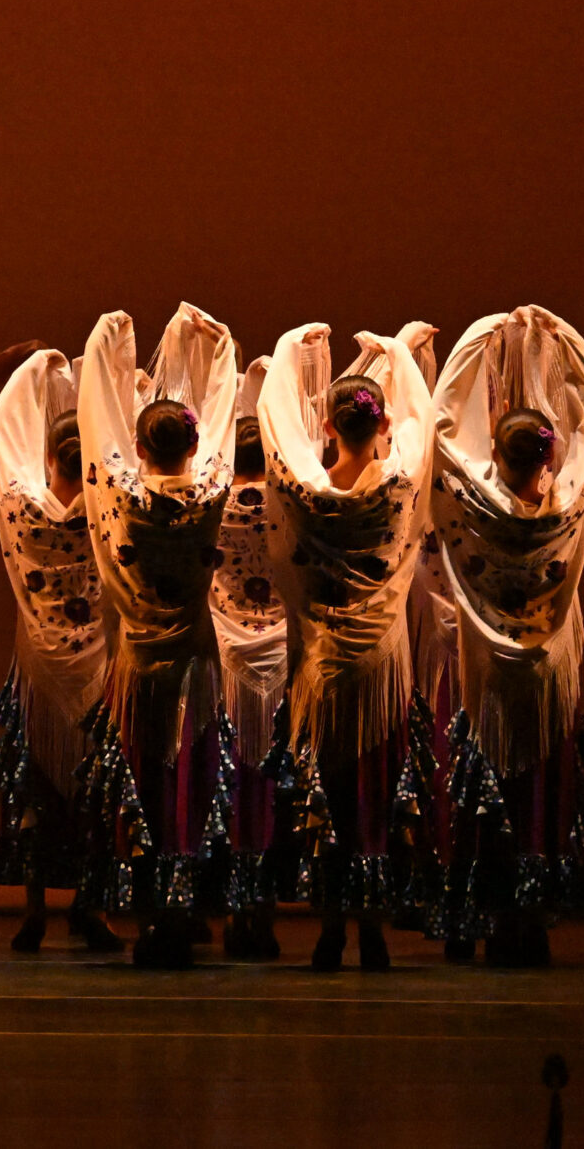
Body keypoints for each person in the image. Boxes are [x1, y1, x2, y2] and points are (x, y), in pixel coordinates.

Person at [259, 323, 436, 971]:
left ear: (327, 427)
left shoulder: (305, 494)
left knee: (330, 791)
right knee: (375, 792)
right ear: (381, 424)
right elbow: (420, 424)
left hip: (324, 666)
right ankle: (373, 930)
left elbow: (277, 425)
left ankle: (332, 927)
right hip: (381, 667)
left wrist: (289, 350)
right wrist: (400, 354)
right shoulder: (397, 488)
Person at [432, 306, 584, 966]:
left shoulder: (471, 506)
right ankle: (529, 922)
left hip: (488, 682)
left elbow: (444, 428)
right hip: (544, 682)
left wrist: (479, 333)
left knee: (490, 796)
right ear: (550, 456)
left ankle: (487, 916)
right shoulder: (568, 506)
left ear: (494, 456)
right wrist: (566, 341)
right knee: (535, 794)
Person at [79, 304, 241, 969]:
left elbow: (97, 430)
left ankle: (150, 913)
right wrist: (221, 351)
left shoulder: (120, 497)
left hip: (139, 667)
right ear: (194, 447)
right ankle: (184, 910)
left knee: (143, 785)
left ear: (139, 449)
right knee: (187, 786)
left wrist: (107, 345)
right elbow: (225, 420)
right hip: (194, 667)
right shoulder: (211, 491)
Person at [0, 340, 118, 955]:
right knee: (96, 792)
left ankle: (35, 907)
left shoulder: (20, 505)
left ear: (46, 456)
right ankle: (92, 908)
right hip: (95, 669)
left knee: (34, 789)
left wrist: (29, 376)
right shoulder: (109, 510)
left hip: (39, 669)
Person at [212, 358, 290, 960]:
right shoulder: (290, 506)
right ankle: (262, 911)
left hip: (227, 659)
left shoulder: (211, 505)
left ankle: (231, 905)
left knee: (233, 781)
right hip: (281, 657)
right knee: (270, 784)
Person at [394, 321, 467, 955]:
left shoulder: (410, 504)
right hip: (449, 661)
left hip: (442, 661)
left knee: (447, 766)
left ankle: (443, 891)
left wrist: (398, 359)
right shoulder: (470, 508)